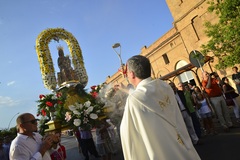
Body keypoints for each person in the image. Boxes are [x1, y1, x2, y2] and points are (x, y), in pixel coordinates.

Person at [120, 55, 200, 160]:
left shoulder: (134, 100)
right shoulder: (165, 86)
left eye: (128, 74)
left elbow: (129, 136)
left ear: (132, 74)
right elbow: (144, 94)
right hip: (183, 148)